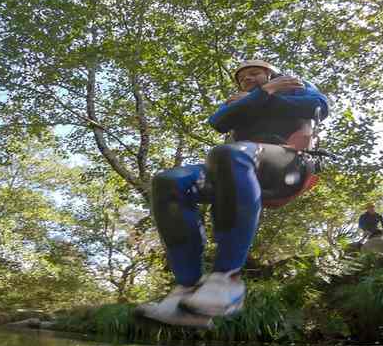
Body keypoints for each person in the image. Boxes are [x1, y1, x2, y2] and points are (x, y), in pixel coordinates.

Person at [136, 59, 330, 327]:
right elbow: (218, 121)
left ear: (272, 74)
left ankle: (227, 279)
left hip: (288, 165)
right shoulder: (245, 99)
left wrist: (265, 96)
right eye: (242, 78)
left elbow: (318, 105)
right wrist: (260, 95)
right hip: (235, 168)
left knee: (230, 152)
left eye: (255, 73)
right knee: (169, 181)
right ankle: (187, 290)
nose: (248, 79)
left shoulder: (294, 87)